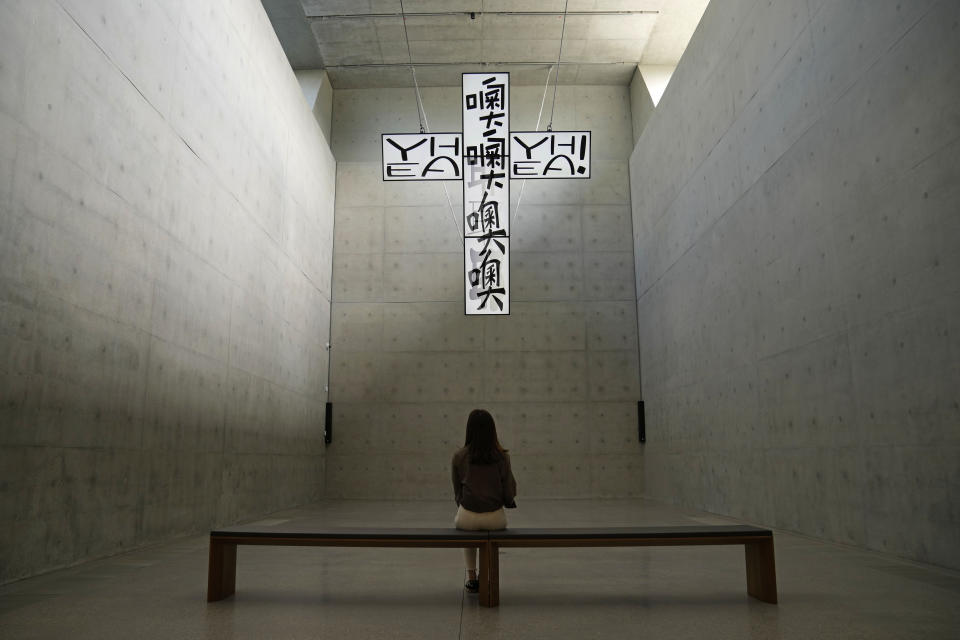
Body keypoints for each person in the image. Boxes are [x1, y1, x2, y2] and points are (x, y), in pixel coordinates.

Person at [451, 409, 517, 593]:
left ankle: (472, 577)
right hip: (495, 519)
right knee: (487, 531)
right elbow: (509, 492)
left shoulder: (459, 457)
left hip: (467, 517)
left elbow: (457, 491)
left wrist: (467, 506)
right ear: (492, 430)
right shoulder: (502, 457)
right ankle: (485, 576)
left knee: (468, 530)